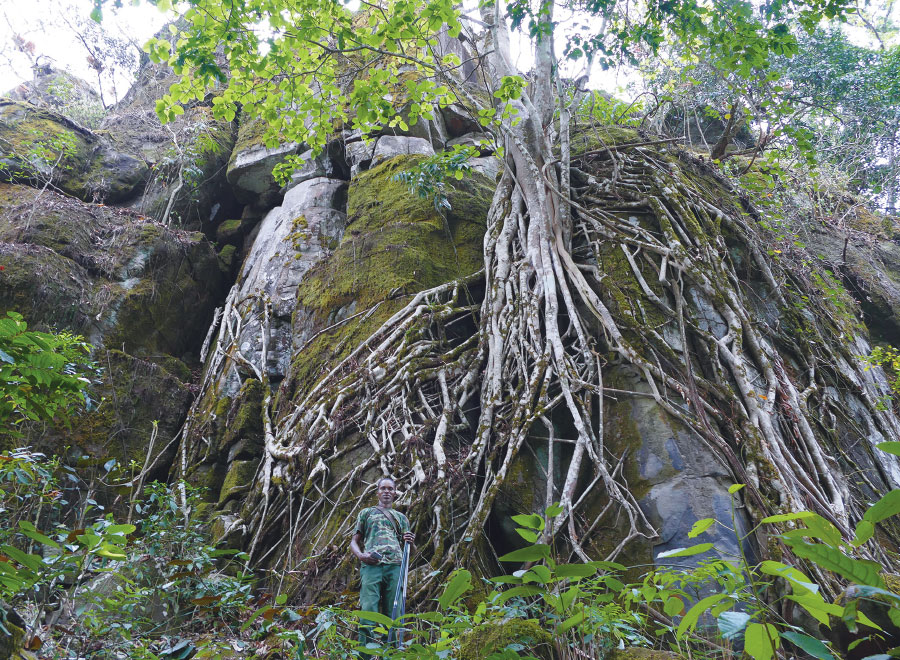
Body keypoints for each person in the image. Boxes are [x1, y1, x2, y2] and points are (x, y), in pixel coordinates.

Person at [350, 477, 415, 651]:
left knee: (394, 612)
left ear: (395, 493)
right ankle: (367, 654)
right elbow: (354, 541)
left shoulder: (401, 518)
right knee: (368, 609)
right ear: (378, 492)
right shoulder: (366, 513)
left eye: (390, 489)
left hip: (396, 567)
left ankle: (391, 652)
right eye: (383, 488)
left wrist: (409, 540)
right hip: (372, 565)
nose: (386, 491)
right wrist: (362, 556)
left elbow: (407, 546)